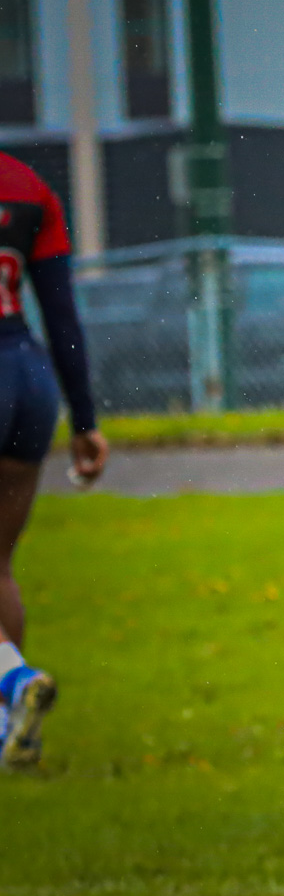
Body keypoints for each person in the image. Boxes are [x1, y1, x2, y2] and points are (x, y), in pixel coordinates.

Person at [0, 151, 107, 770]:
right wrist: (86, 420)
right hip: (27, 376)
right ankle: (16, 734)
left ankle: (13, 683)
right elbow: (62, 312)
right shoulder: (27, 185)